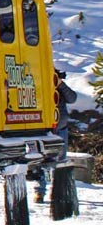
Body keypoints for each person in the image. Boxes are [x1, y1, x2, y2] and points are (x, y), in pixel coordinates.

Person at [35, 70, 77, 203]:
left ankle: (60, 191)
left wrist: (60, 84)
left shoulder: (60, 88)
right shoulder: (39, 86)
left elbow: (72, 98)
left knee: (60, 161)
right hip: (45, 129)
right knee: (42, 162)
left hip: (60, 129)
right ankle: (40, 191)